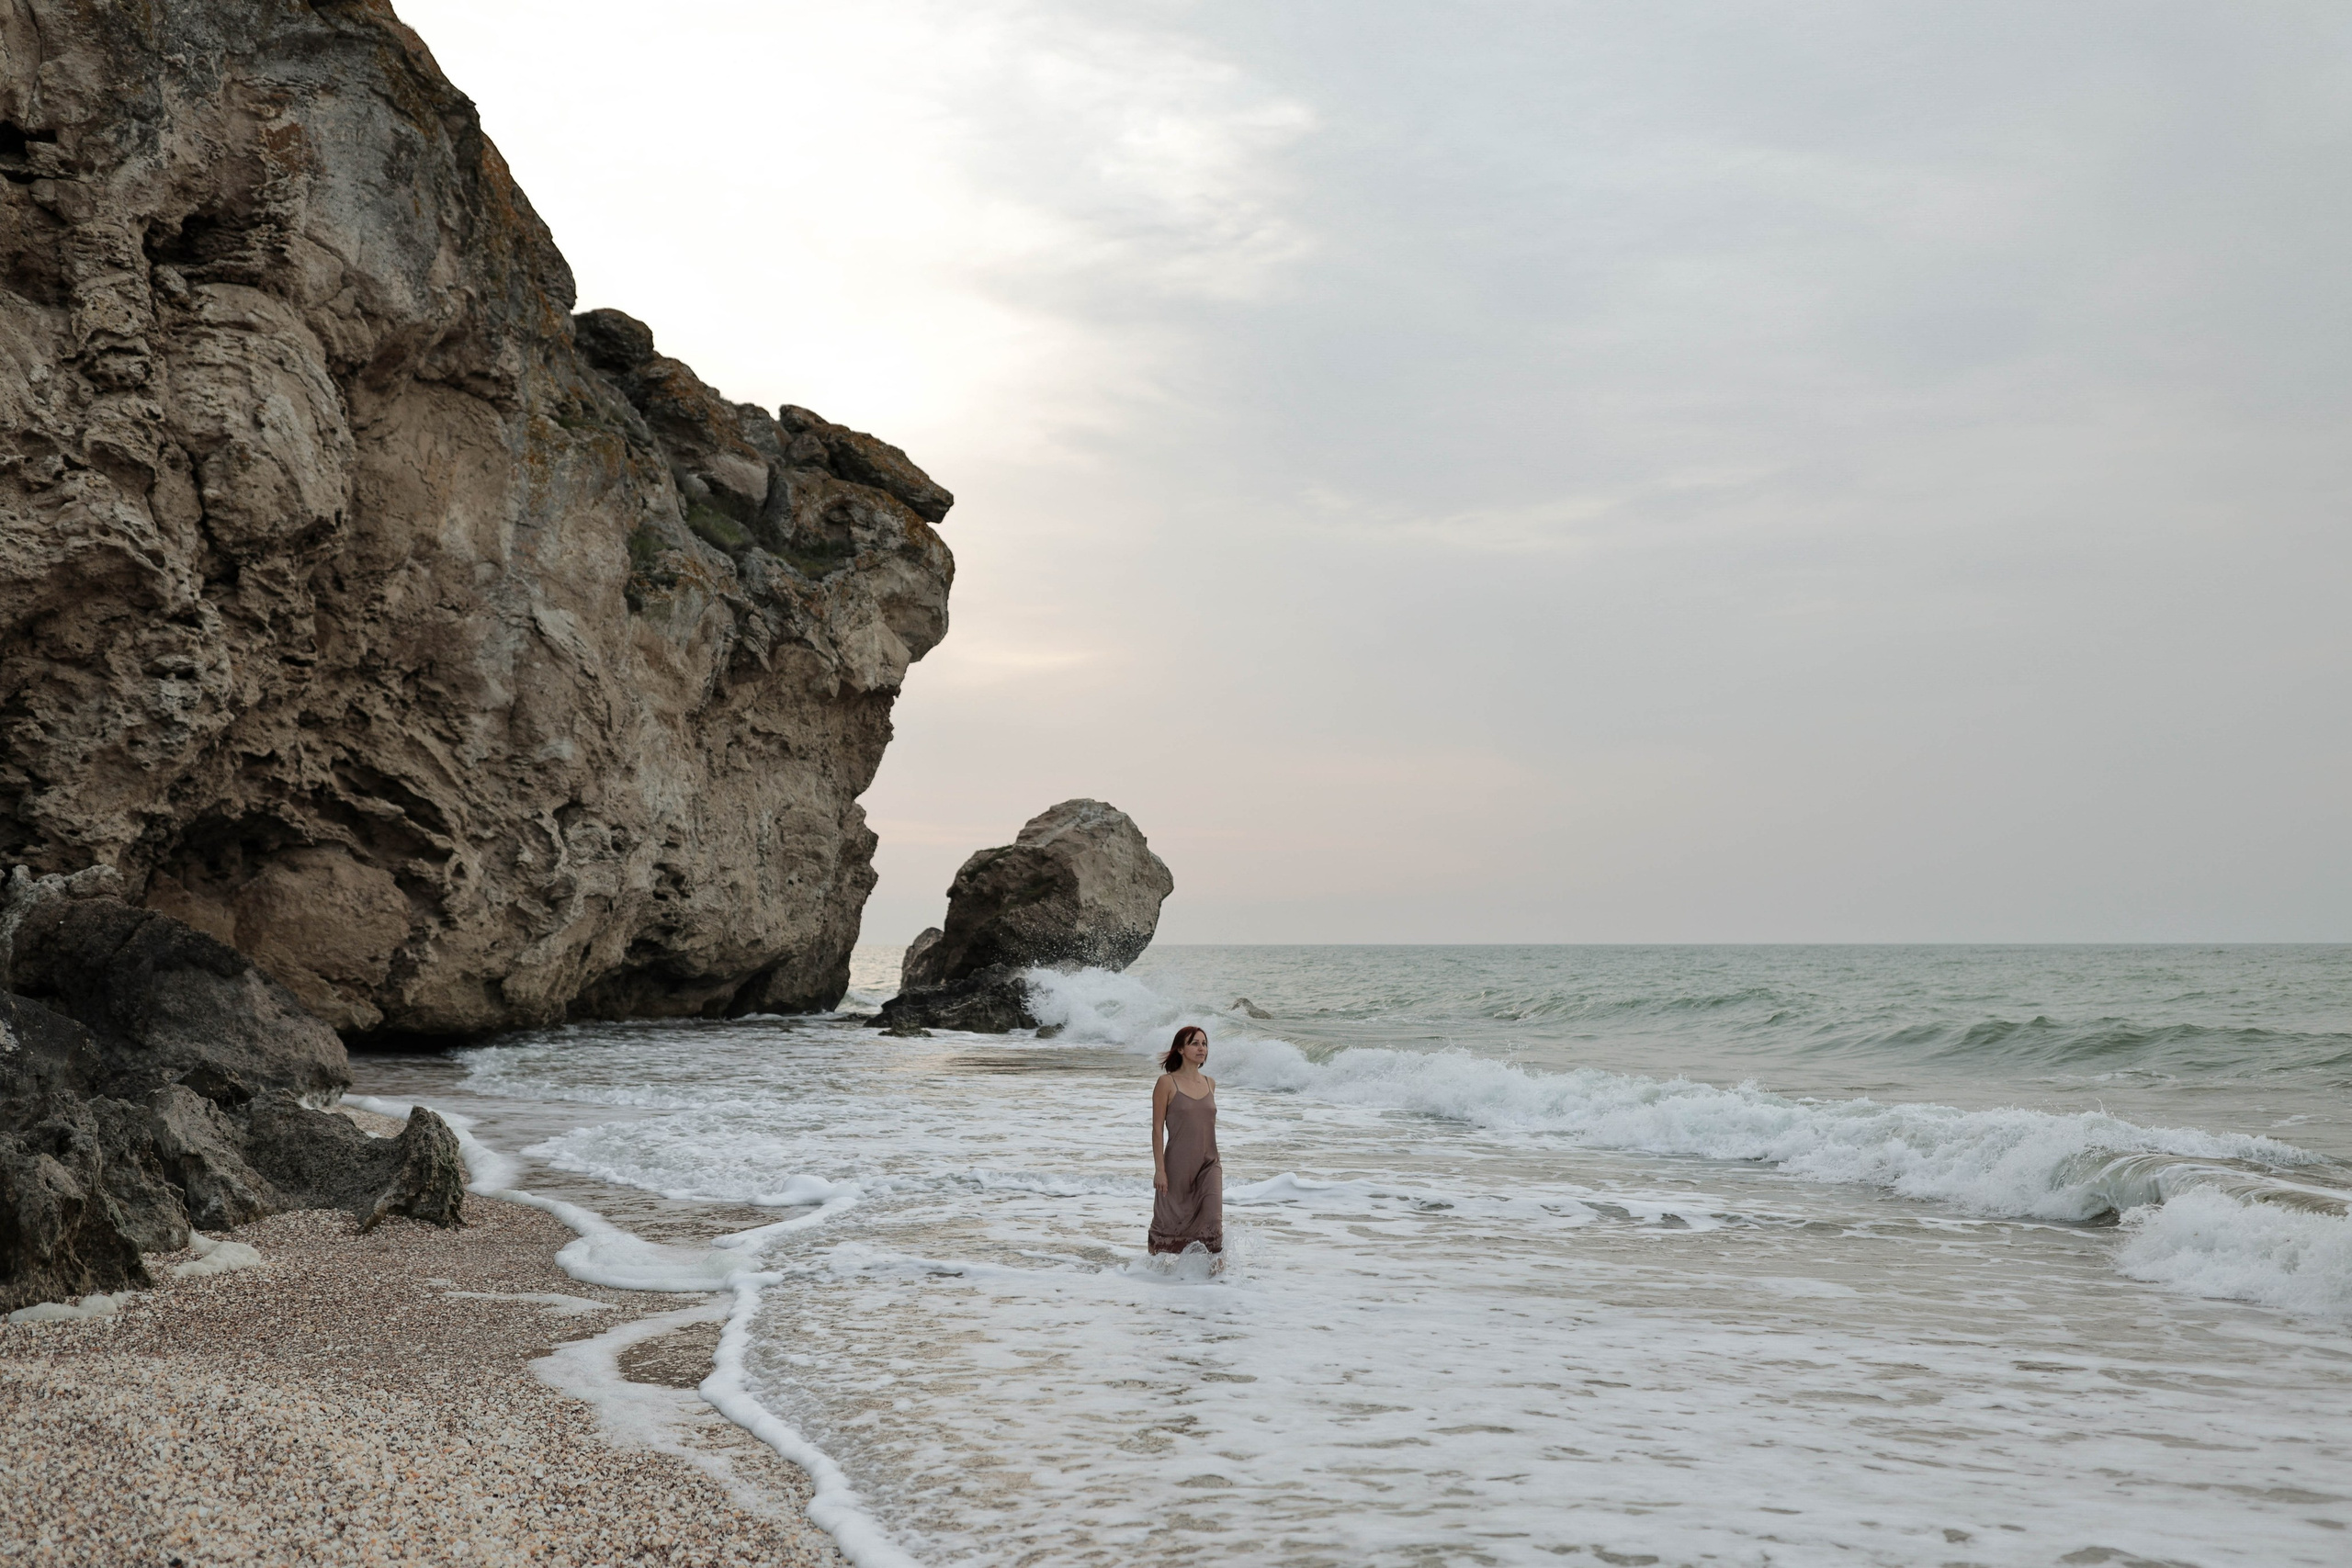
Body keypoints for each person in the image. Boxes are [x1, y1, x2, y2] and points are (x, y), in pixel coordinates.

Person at [1149, 1024, 1223, 1258]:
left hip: (1209, 1163)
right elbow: (1157, 1129)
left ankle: (1217, 1278)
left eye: (1204, 1044)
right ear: (1180, 1049)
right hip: (1177, 1165)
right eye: (1195, 1043)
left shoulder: (1210, 1083)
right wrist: (1160, 1170)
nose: (1202, 1048)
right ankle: (1153, 1272)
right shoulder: (1167, 1083)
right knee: (1170, 1222)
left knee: (1212, 1219)